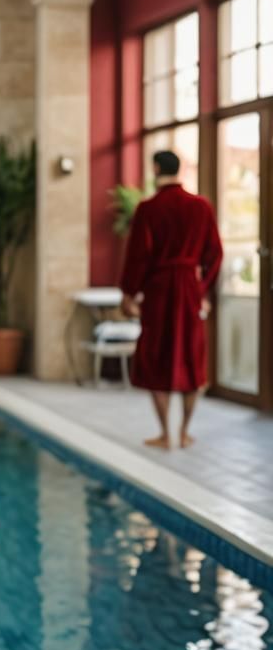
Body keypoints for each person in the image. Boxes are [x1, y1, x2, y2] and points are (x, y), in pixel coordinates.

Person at [119, 150, 223, 449]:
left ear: (155, 169)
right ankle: (185, 431)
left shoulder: (148, 209)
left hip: (159, 291)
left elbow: (138, 257)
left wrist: (128, 293)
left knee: (156, 357)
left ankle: (165, 433)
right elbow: (215, 254)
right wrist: (202, 290)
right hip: (190, 288)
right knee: (192, 359)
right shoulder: (201, 206)